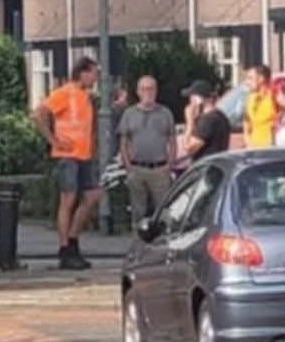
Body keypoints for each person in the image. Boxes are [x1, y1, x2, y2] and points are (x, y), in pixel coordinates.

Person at [32, 56, 101, 271]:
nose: (96, 77)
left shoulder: (86, 97)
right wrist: (53, 140)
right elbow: (39, 113)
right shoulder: (65, 93)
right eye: (93, 73)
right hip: (67, 155)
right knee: (68, 200)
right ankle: (65, 248)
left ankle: (72, 240)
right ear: (83, 73)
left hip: (83, 155)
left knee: (92, 196)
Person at [118, 76, 177, 224]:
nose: (148, 92)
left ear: (156, 91)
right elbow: (123, 141)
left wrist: (169, 165)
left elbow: (172, 141)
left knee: (163, 212)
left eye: (151, 89)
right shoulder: (129, 114)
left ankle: (162, 243)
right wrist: (128, 166)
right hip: (136, 169)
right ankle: (138, 243)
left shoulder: (165, 113)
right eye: (144, 89)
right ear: (138, 92)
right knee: (138, 212)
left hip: (160, 169)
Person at [181, 80, 231, 161]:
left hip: (207, 168)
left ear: (198, 98)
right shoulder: (221, 116)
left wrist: (189, 121)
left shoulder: (208, 120)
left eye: (192, 97)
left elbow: (188, 148)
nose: (190, 100)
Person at [243, 63, 276, 148]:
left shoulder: (274, 97)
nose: (247, 82)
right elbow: (246, 122)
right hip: (254, 151)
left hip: (271, 150)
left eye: (250, 78)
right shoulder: (249, 98)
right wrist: (248, 141)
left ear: (261, 78)